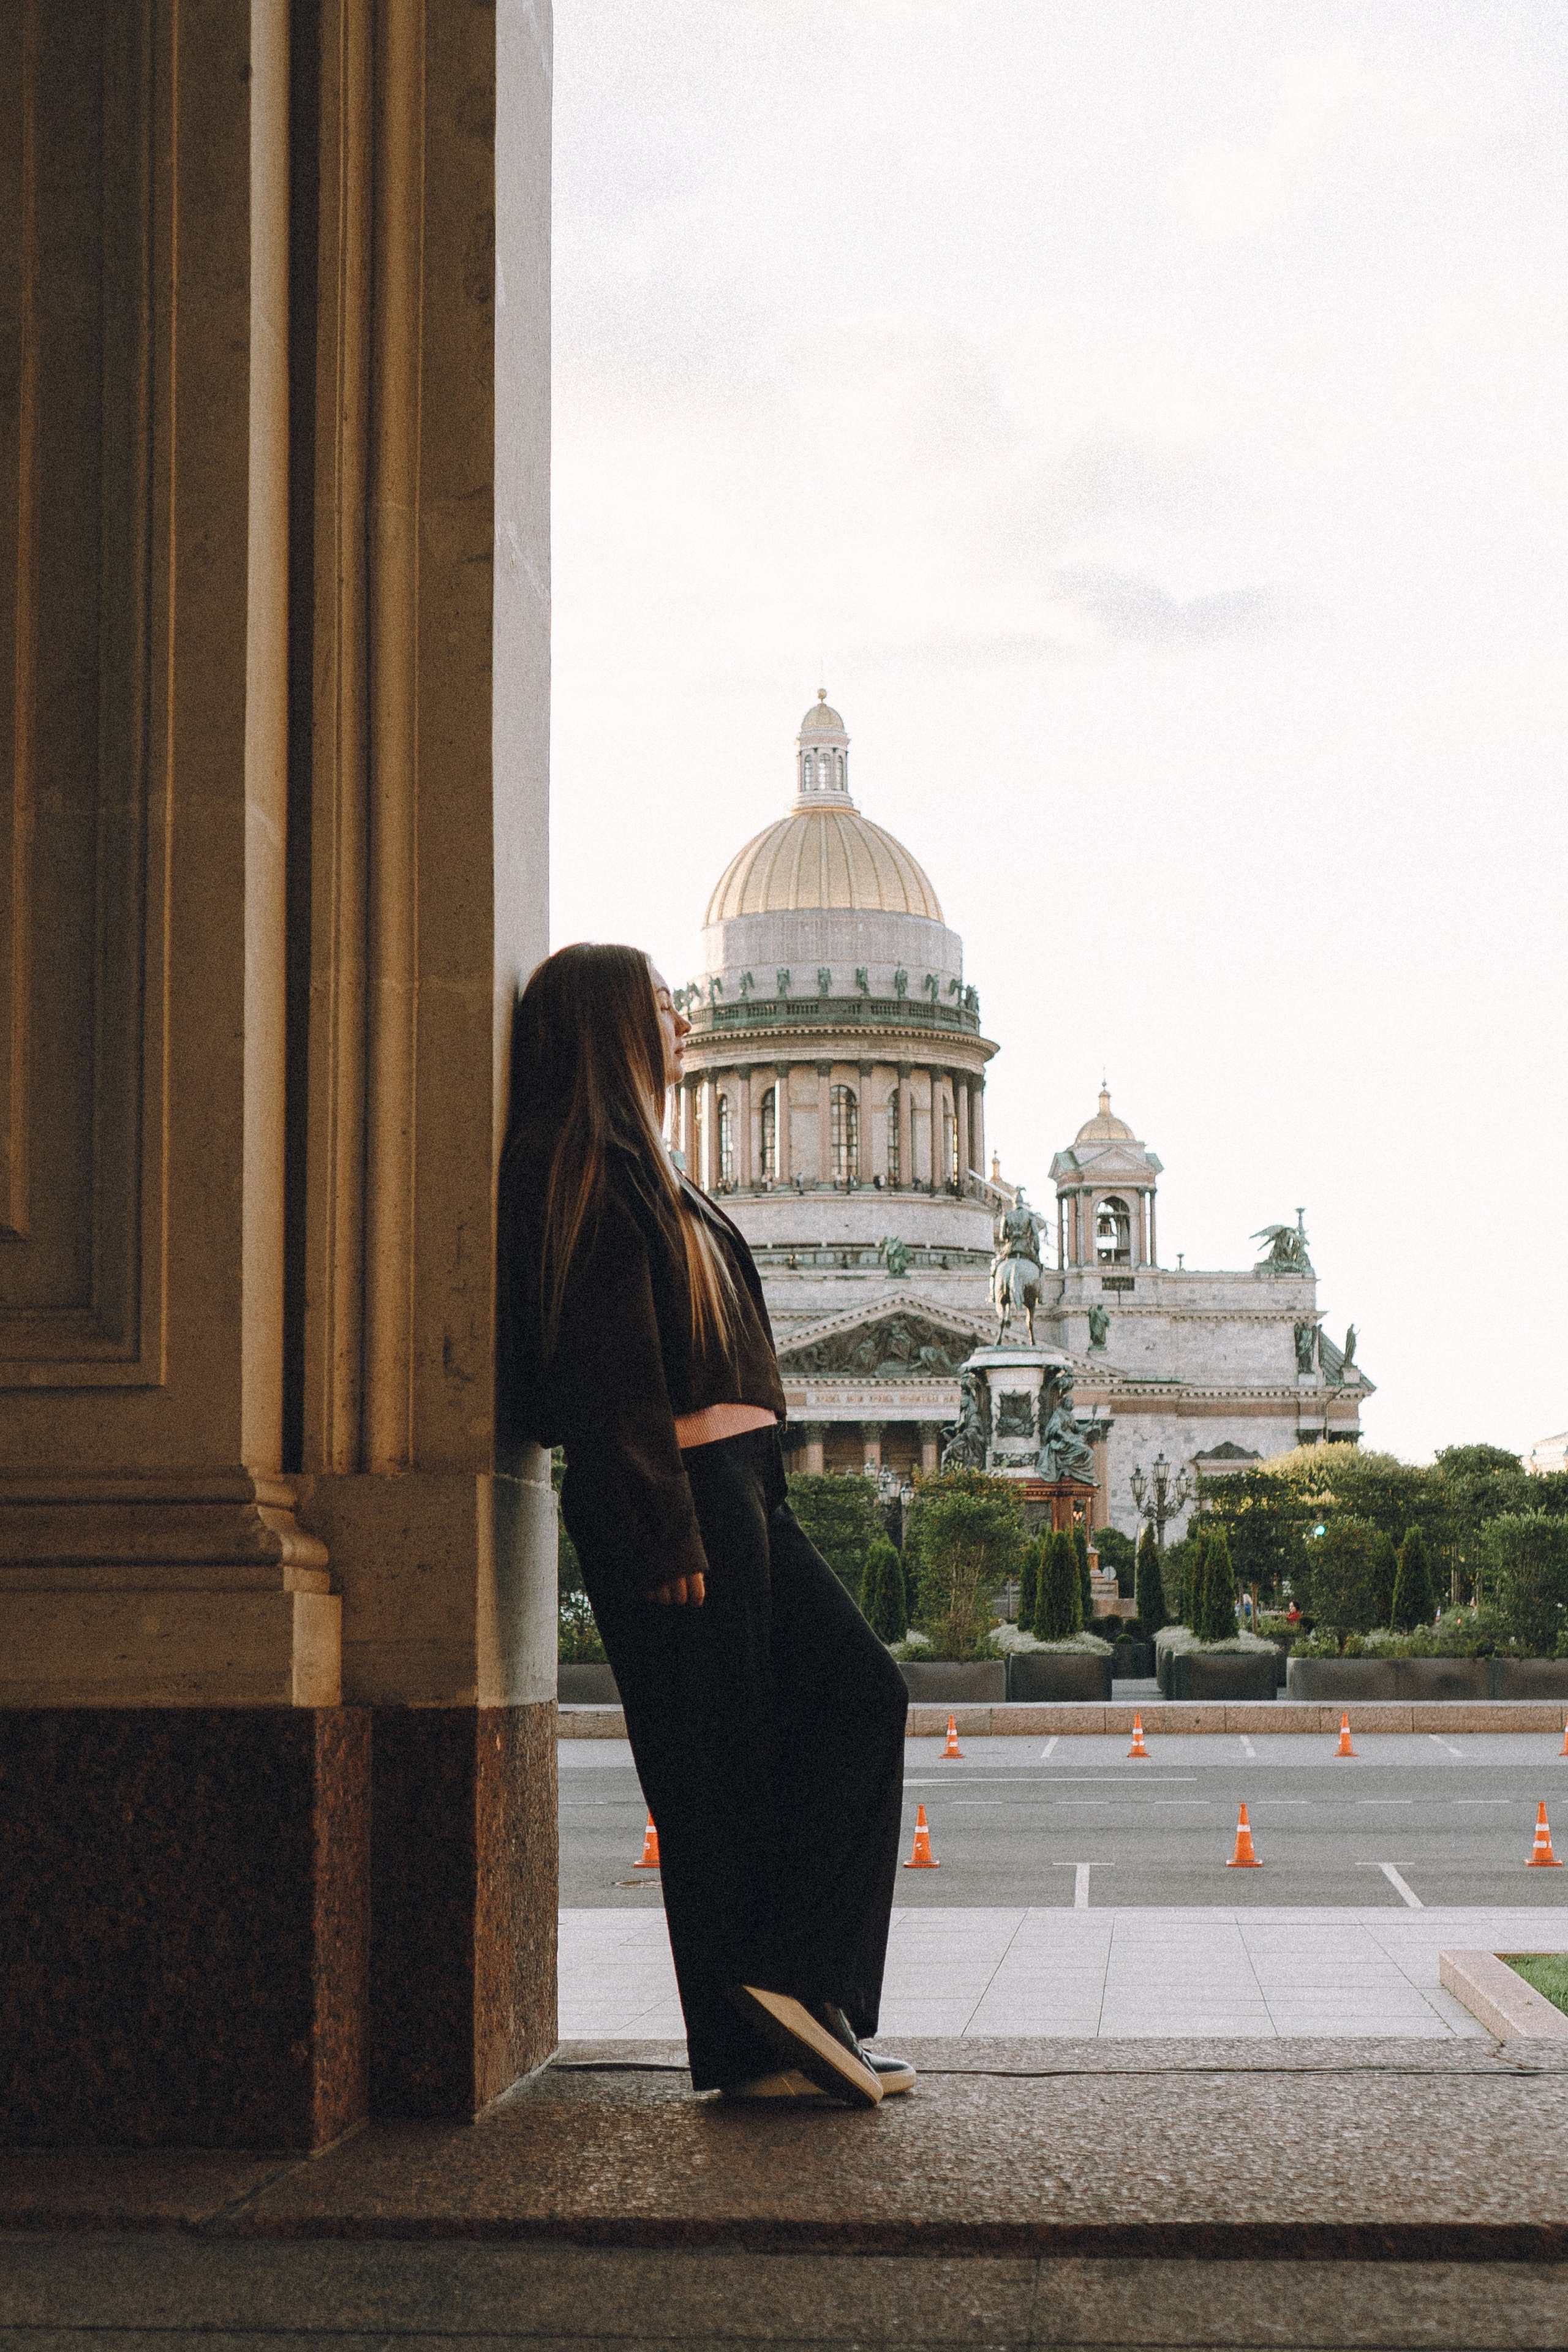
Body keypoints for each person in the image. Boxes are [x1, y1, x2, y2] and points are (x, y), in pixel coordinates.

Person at [498, 943, 912, 2106]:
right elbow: (599, 1364)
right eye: (659, 1008)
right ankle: (753, 2045)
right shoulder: (577, 1165)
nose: (680, 1022)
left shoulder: (649, 1164)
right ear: (608, 1029)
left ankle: (797, 1997)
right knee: (713, 1778)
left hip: (744, 1489)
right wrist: (656, 1526)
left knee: (856, 1695)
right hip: (676, 1502)